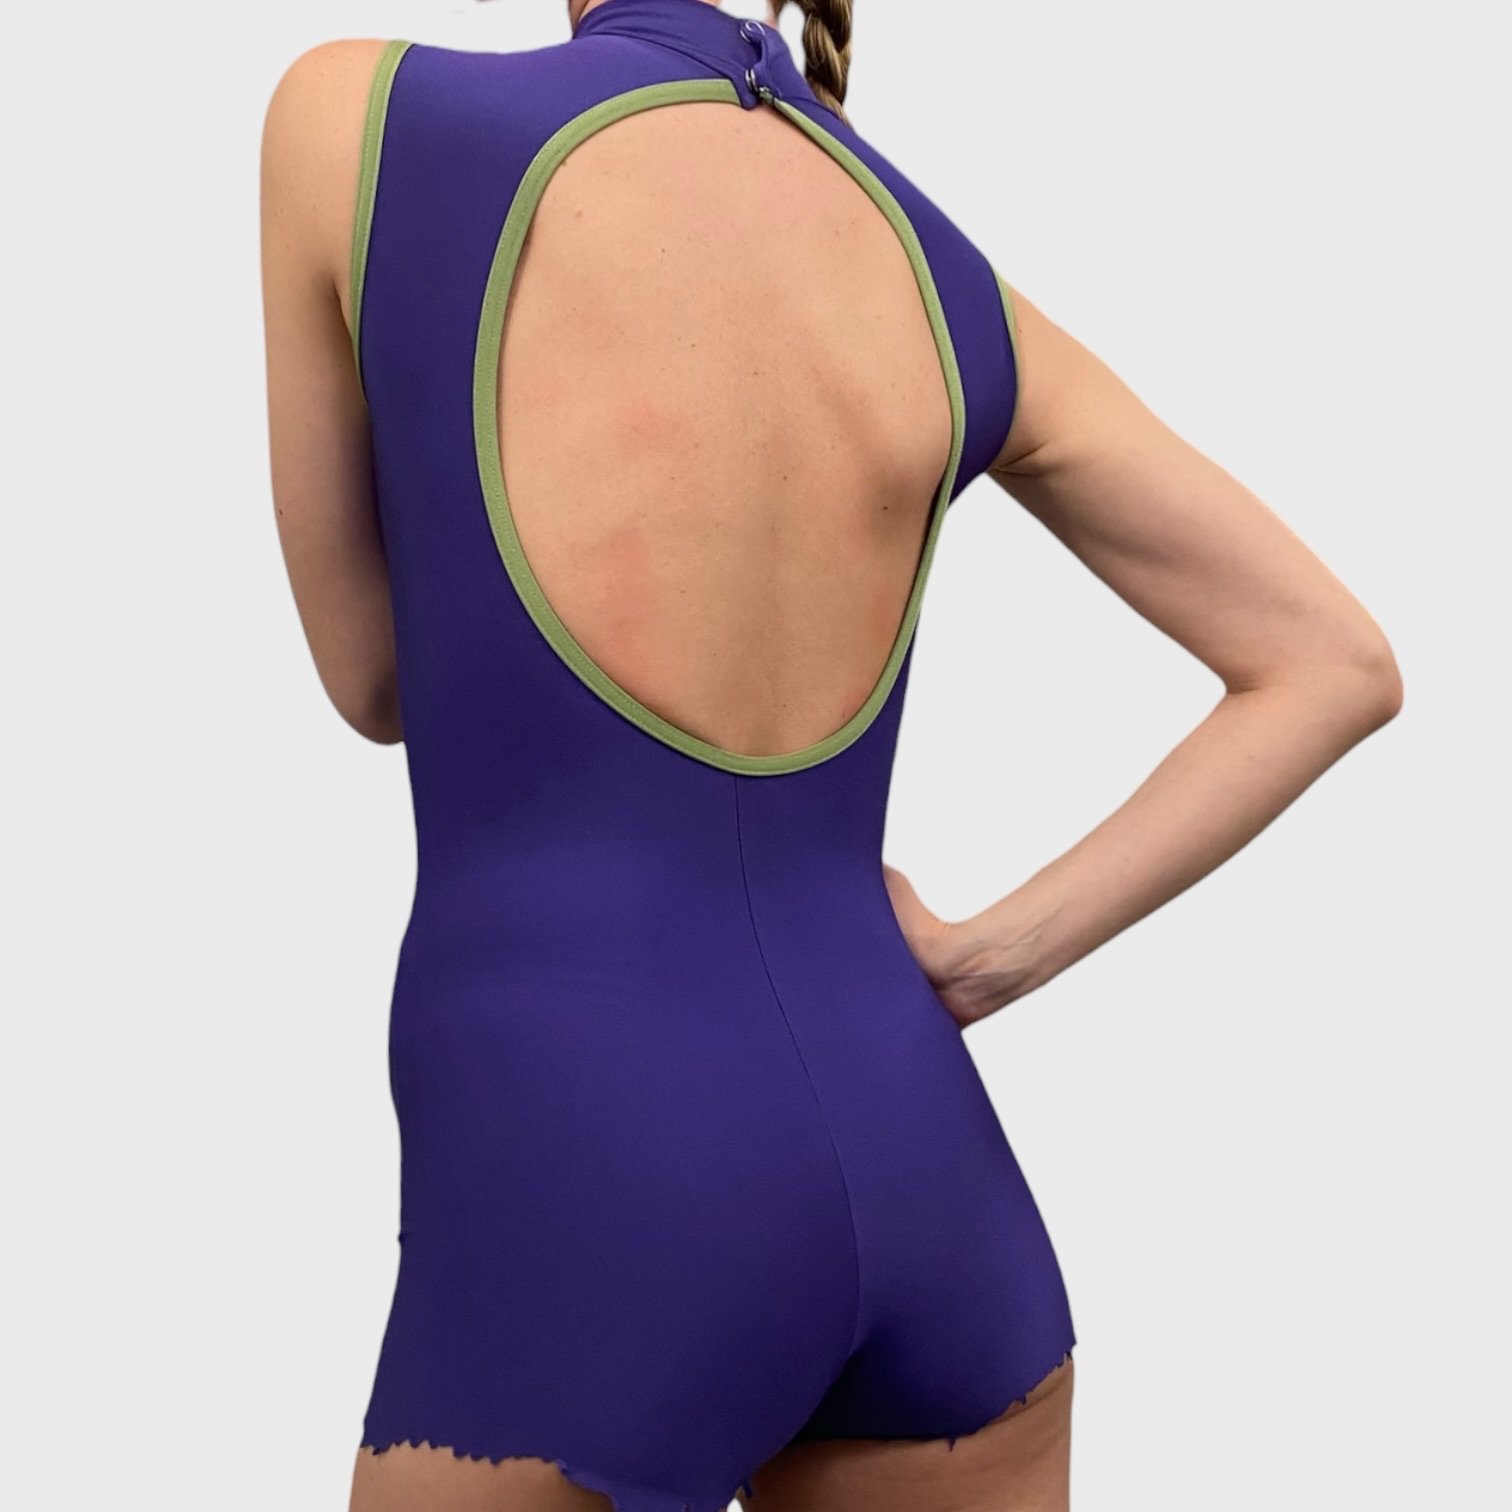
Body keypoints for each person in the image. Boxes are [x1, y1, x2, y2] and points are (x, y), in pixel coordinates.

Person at [259, 2, 1402, 1508]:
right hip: (934, 1192)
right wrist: (991, 956)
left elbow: (375, 678)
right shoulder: (933, 263)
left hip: (584, 1182)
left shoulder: (362, 121)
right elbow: (1331, 660)